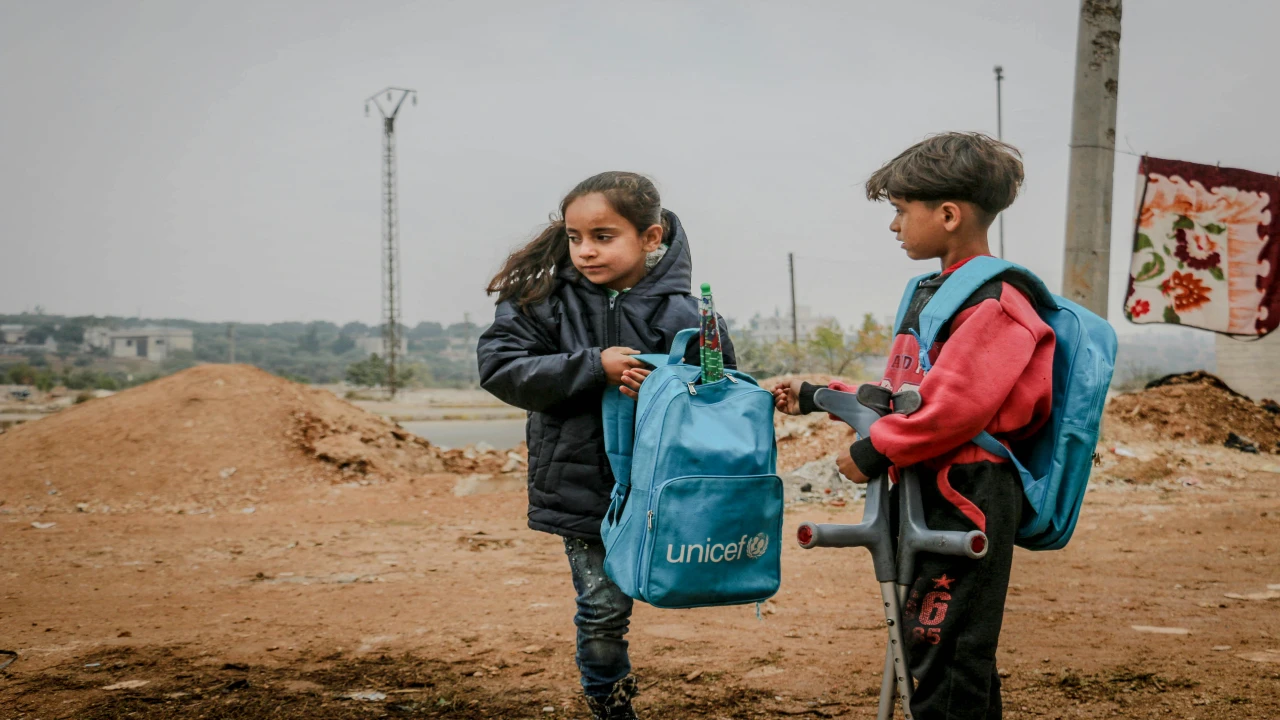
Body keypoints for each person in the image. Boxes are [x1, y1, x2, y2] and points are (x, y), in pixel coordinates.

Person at [774, 133, 1053, 720]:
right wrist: (823, 395)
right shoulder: (934, 292)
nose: (895, 227)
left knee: (943, 651)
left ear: (948, 215)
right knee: (937, 646)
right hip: (928, 485)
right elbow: (911, 397)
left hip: (968, 492)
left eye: (902, 212)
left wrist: (876, 450)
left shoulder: (996, 301)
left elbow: (956, 409)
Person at [477, 171, 734, 720]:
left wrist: (664, 383)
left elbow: (720, 393)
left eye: (603, 236)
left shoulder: (688, 314)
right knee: (600, 608)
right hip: (582, 488)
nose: (586, 251)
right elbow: (501, 367)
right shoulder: (542, 302)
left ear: (651, 236)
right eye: (575, 237)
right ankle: (610, 705)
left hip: (663, 490)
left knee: (670, 586)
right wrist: (596, 366)